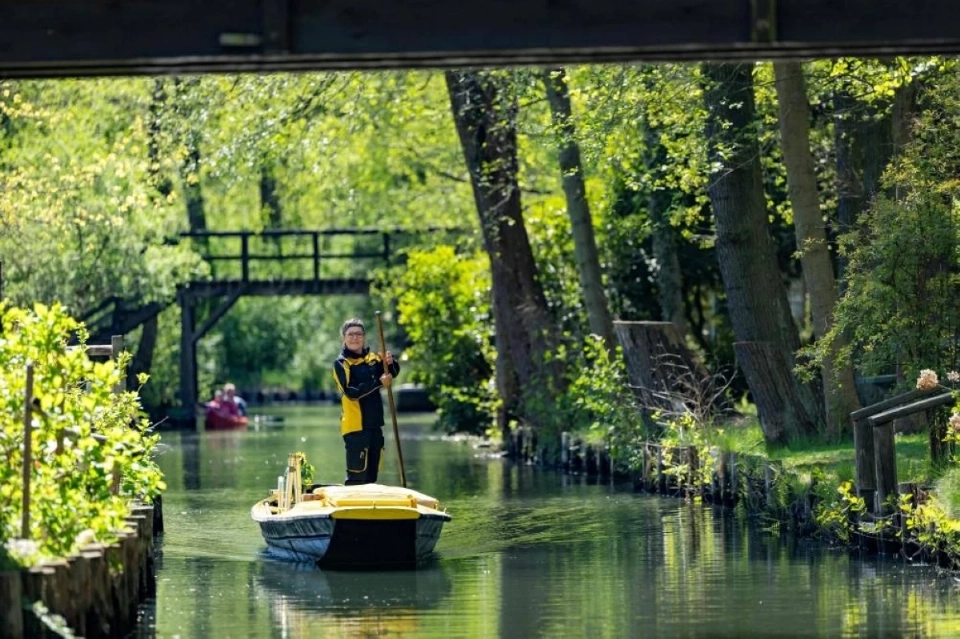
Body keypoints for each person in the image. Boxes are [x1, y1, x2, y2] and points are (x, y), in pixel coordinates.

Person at [331, 317, 400, 485]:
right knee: (357, 476)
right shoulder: (341, 363)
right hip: (355, 427)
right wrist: (379, 383)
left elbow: (391, 372)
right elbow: (351, 392)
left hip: (375, 424)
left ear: (364, 337)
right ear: (344, 337)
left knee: (372, 476)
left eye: (358, 334)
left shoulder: (373, 359)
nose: (355, 338)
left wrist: (390, 363)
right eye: (350, 334)